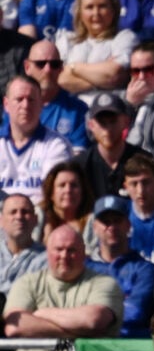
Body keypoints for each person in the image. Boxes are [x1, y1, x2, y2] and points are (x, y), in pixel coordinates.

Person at [4, 225, 124, 339]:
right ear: (47, 253)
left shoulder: (104, 283)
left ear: (83, 253)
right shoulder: (27, 283)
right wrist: (78, 334)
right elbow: (15, 326)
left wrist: (42, 313)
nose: (64, 255)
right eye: (59, 249)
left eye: (71, 250)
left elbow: (93, 320)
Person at [55, 0, 139, 106]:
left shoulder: (125, 38)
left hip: (109, 111)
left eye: (102, 6)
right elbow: (61, 79)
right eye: (89, 7)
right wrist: (103, 80)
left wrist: (73, 68)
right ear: (80, 12)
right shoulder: (67, 40)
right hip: (72, 113)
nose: (96, 13)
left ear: (113, 10)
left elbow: (113, 74)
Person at [86, 195, 154, 338]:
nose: (112, 227)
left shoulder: (145, 269)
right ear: (95, 227)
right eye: (106, 222)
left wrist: (92, 317)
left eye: (117, 221)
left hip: (129, 346)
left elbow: (136, 312)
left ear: (128, 224)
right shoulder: (84, 267)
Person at [0, 76, 74, 204]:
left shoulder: (57, 145)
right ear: (6, 104)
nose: (25, 105)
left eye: (31, 100)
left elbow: (55, 196)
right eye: (19, 99)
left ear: (41, 104)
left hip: (41, 218)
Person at [74, 92, 153, 198]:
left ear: (126, 122)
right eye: (102, 123)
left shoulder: (144, 162)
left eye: (113, 121)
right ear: (91, 125)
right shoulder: (80, 166)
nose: (108, 130)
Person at [20, 40, 89, 153]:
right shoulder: (15, 107)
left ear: (61, 68)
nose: (47, 70)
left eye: (54, 64)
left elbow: (77, 158)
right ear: (27, 67)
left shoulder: (77, 110)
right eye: (40, 64)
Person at [0, 194, 48, 309]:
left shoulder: (47, 259)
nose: (19, 216)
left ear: (35, 219)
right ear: (1, 221)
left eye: (25, 212)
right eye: (13, 212)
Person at [38, 160, 95, 245]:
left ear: (83, 191)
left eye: (74, 185)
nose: (68, 190)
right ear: (51, 192)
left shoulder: (93, 222)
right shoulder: (38, 219)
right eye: (62, 185)